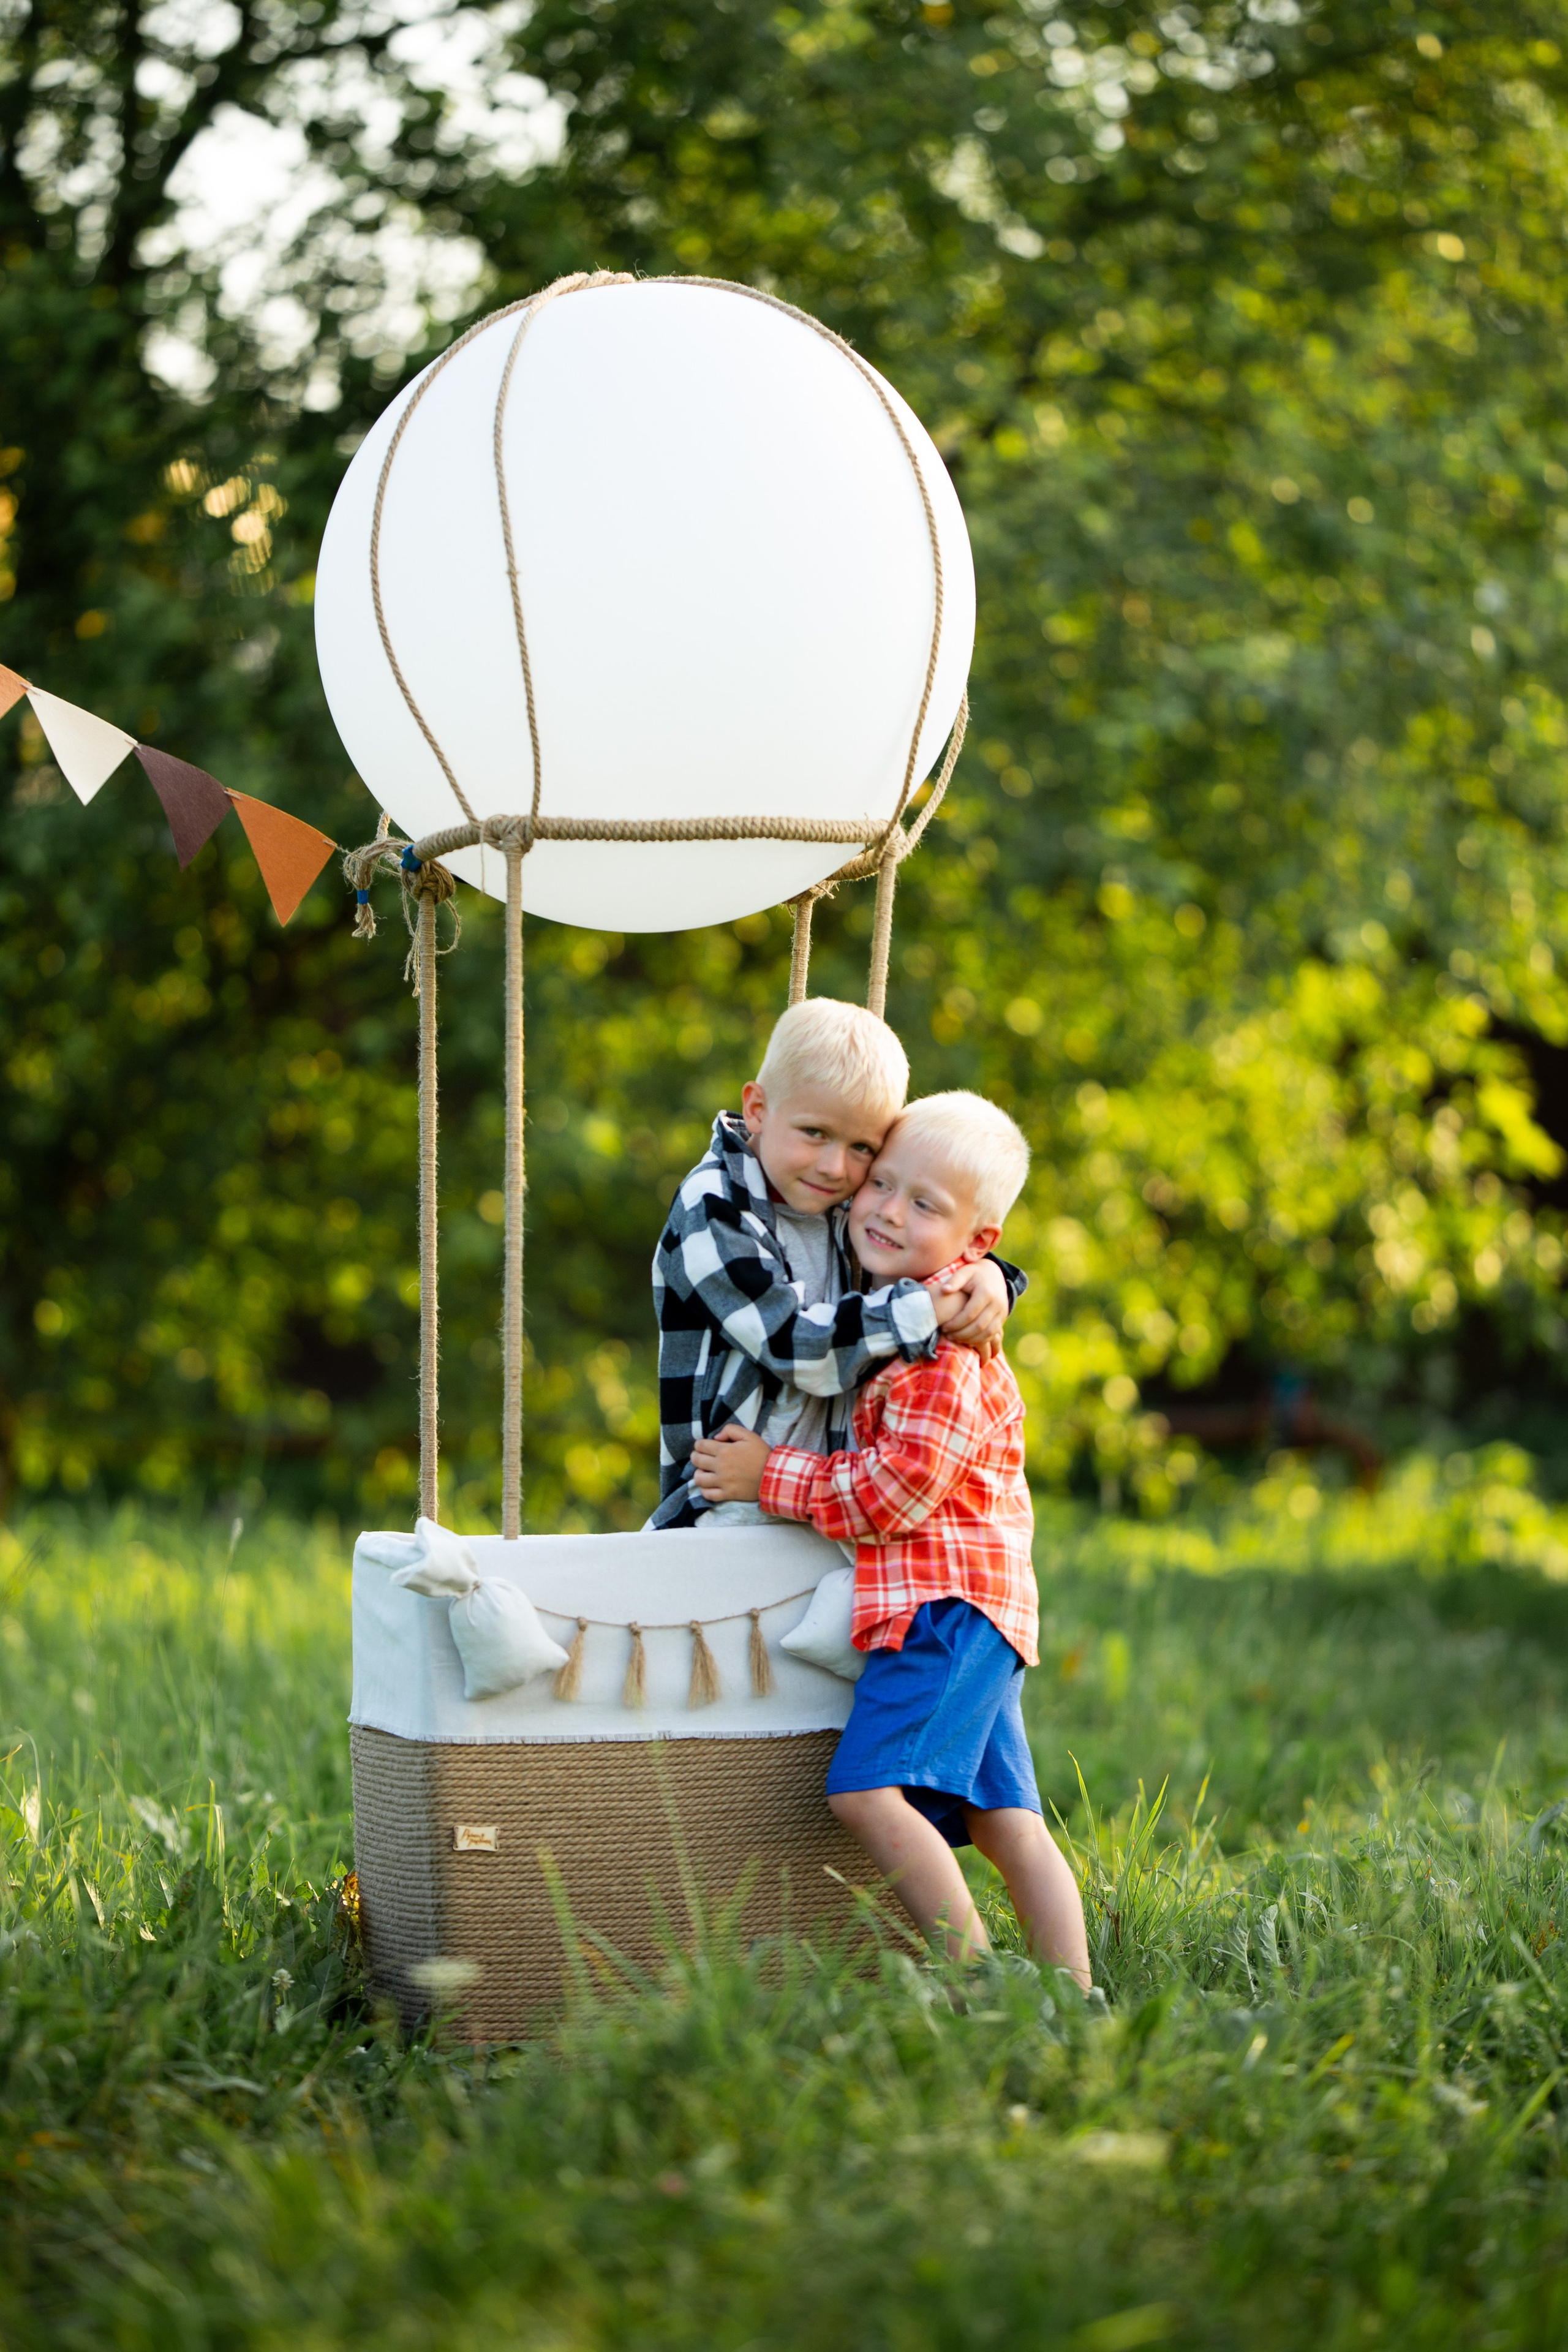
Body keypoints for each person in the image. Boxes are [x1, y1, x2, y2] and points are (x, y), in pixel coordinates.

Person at [692, 1091, 1091, 1989]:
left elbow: (893, 1496)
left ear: (977, 1243)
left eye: (925, 1206)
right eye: (885, 1185)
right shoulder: (897, 1312)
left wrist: (771, 1476)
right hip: (972, 1609)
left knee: (866, 1791)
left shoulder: (941, 1358)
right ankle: (1069, 1996)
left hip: (946, 1608)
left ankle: (972, 1979)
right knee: (1004, 1822)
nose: (885, 1210)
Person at [646, 999, 1023, 1530]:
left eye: (863, 1147)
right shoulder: (713, 1207)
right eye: (815, 1133)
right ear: (757, 1110)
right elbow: (796, 1346)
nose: (835, 1167)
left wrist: (992, 1276)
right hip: (725, 1499)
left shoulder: (838, 1200)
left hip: (821, 1499)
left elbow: (922, 1240)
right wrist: (929, 1307)